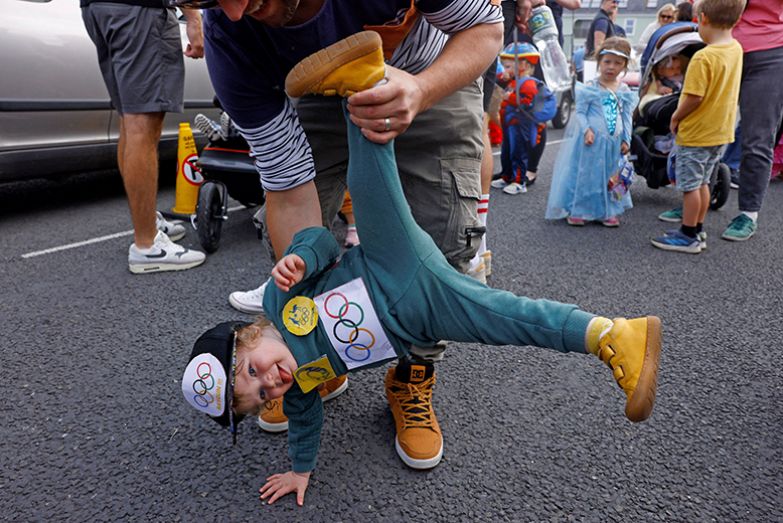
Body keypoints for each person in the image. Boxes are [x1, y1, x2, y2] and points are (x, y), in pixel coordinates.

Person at [181, 37, 663, 506]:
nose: (272, 382)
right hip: (419, 318)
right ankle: (613, 336)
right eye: (262, 393)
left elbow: (325, 242)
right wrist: (300, 471)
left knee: (370, 184)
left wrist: (300, 257)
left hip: (389, 264)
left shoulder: (277, 301)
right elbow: (305, 427)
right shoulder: (302, 387)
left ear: (247, 336)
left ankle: (360, 82)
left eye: (253, 371)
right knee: (512, 320)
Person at [173, 0, 505, 471]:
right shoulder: (231, 38)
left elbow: (486, 29)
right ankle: (319, 362)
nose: (233, 9)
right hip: (321, 86)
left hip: (431, 66)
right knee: (287, 237)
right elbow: (289, 191)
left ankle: (412, 374)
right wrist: (304, 319)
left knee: (446, 246)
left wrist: (421, 89)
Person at [81, 0, 207, 274]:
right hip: (139, 10)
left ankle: (147, 223)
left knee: (130, 120)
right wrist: (194, 19)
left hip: (97, 9)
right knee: (143, 123)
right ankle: (147, 245)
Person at [651, 0, 744, 254]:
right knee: (703, 182)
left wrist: (676, 116)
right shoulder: (735, 48)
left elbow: (694, 97)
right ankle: (696, 228)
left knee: (691, 186)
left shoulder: (704, 57)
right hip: (720, 131)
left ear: (701, 19)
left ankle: (688, 235)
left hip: (697, 132)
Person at [545, 37, 637, 227]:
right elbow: (580, 111)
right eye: (607, 62)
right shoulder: (590, 88)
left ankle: (606, 210)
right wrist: (586, 130)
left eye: (617, 63)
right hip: (592, 141)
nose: (611, 67)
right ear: (599, 63)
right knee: (586, 174)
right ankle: (579, 209)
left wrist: (626, 139)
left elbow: (626, 117)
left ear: (625, 66)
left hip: (613, 142)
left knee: (610, 175)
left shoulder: (624, 90)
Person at [720, 0, 783, 242]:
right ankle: (695, 198)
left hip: (772, 51)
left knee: (757, 137)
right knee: (705, 129)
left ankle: (748, 213)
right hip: (721, 45)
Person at [491, 43, 556, 195]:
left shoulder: (528, 83)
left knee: (518, 152)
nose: (505, 70)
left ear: (523, 64)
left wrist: (510, 97)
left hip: (519, 125)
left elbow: (527, 102)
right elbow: (498, 80)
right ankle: (507, 176)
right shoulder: (514, 81)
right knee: (506, 151)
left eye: (508, 67)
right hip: (509, 123)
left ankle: (519, 181)